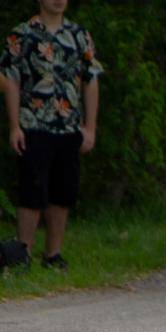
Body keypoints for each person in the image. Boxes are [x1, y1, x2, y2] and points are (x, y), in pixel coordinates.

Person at [1, 0, 101, 271]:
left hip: (68, 126)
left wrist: (90, 127)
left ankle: (53, 255)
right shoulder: (22, 34)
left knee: (62, 192)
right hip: (33, 124)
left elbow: (91, 80)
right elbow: (9, 79)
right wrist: (14, 126)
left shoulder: (79, 36)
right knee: (32, 191)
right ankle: (22, 254)